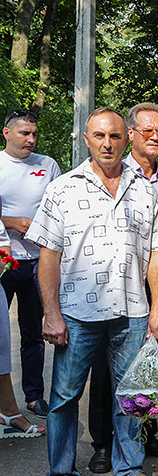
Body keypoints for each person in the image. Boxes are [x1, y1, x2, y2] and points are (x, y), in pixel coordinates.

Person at [27, 108, 158, 476]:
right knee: (64, 398)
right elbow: (49, 256)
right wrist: (51, 313)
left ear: (126, 139)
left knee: (133, 396)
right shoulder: (62, 189)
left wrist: (157, 309)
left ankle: (129, 469)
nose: (107, 143)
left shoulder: (145, 191)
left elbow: (157, 254)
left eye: (115, 136)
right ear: (86, 139)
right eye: (99, 136)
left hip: (132, 311)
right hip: (76, 314)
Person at [86, 103, 158, 473]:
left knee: (149, 361)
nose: (156, 137)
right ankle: (103, 443)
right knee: (106, 366)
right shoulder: (114, 171)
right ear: (130, 135)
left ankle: (145, 434)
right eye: (148, 131)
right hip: (118, 278)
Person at [0, 109, 61, 419]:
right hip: (4, 261)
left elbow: (60, 209)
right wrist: (12, 222)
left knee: (34, 333)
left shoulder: (48, 165)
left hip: (39, 262)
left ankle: (34, 397)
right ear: (6, 133)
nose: (31, 139)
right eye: (25, 133)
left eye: (35, 134)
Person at [0, 214, 45, 439]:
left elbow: (2, 243)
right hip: (10, 269)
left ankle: (18, 406)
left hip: (32, 259)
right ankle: (9, 412)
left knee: (9, 342)